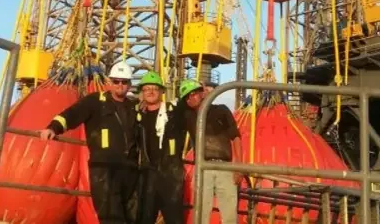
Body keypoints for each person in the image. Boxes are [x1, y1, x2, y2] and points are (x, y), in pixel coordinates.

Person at [40, 61, 139, 224]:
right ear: (110, 82)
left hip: (129, 171)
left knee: (131, 218)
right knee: (111, 217)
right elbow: (72, 114)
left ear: (129, 84)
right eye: (116, 81)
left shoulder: (133, 107)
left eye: (124, 82)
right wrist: (53, 127)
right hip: (104, 169)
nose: (120, 85)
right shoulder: (95, 102)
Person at [179, 79, 243, 224]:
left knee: (230, 214)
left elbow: (236, 137)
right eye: (188, 96)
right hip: (202, 167)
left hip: (225, 166)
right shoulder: (187, 116)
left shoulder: (221, 110)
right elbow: (176, 108)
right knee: (201, 212)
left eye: (195, 93)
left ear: (202, 93)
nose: (192, 98)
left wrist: (239, 166)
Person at [136, 71, 187, 224]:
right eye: (146, 89)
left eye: (154, 88)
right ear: (142, 93)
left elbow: (190, 105)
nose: (150, 92)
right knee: (145, 217)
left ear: (162, 91)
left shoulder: (174, 112)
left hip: (170, 173)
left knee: (174, 218)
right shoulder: (137, 116)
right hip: (147, 173)